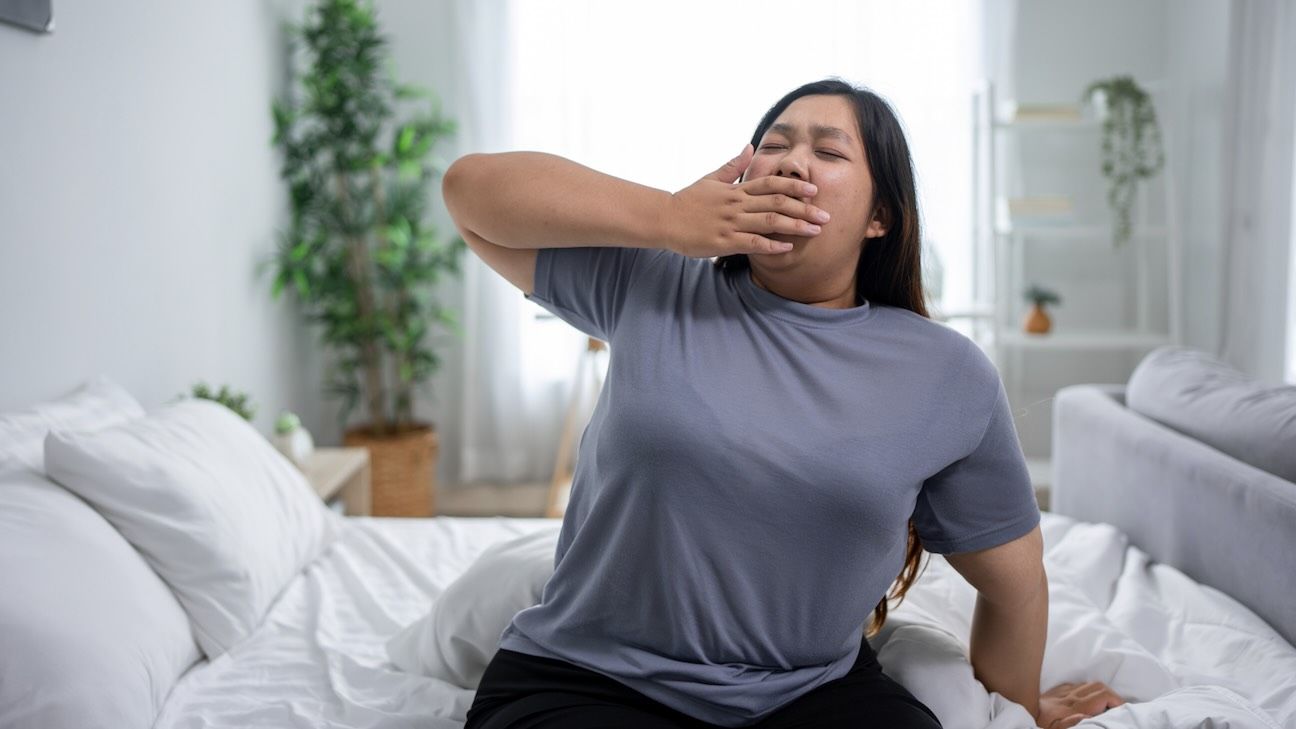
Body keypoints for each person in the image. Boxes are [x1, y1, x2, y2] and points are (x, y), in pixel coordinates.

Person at [442, 78, 1126, 729]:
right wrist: (668, 217)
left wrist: (1019, 710)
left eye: (828, 151)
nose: (793, 161)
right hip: (590, 679)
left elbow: (1016, 584)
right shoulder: (655, 281)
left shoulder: (946, 375)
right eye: (773, 144)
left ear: (880, 217)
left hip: (808, 698)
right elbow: (469, 192)